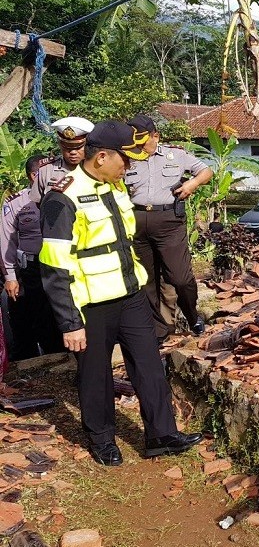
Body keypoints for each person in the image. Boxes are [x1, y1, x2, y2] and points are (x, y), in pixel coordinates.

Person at [39, 120, 202, 466]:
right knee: (95, 376)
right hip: (91, 304)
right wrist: (69, 322)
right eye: (125, 160)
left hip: (130, 295)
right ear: (101, 157)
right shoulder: (61, 198)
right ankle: (102, 439)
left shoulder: (115, 186)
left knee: (149, 364)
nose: (130, 166)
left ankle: (161, 434)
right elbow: (54, 266)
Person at [125, 114, 213, 344]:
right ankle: (159, 330)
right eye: (136, 142)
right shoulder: (126, 157)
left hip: (168, 221)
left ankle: (192, 316)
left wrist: (191, 184)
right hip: (135, 219)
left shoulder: (176, 154)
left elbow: (206, 171)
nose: (140, 147)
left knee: (180, 278)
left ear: (156, 136)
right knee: (146, 281)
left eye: (144, 141)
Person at [0, 155, 63, 360]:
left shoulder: (62, 196)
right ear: (35, 175)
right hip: (32, 269)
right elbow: (6, 241)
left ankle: (64, 355)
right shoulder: (16, 203)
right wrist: (10, 276)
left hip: (62, 266)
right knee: (37, 317)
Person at [30, 117, 95, 205]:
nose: (72, 152)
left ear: (87, 145)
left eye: (78, 147)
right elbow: (38, 202)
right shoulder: (46, 170)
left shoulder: (97, 168)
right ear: (60, 145)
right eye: (67, 148)